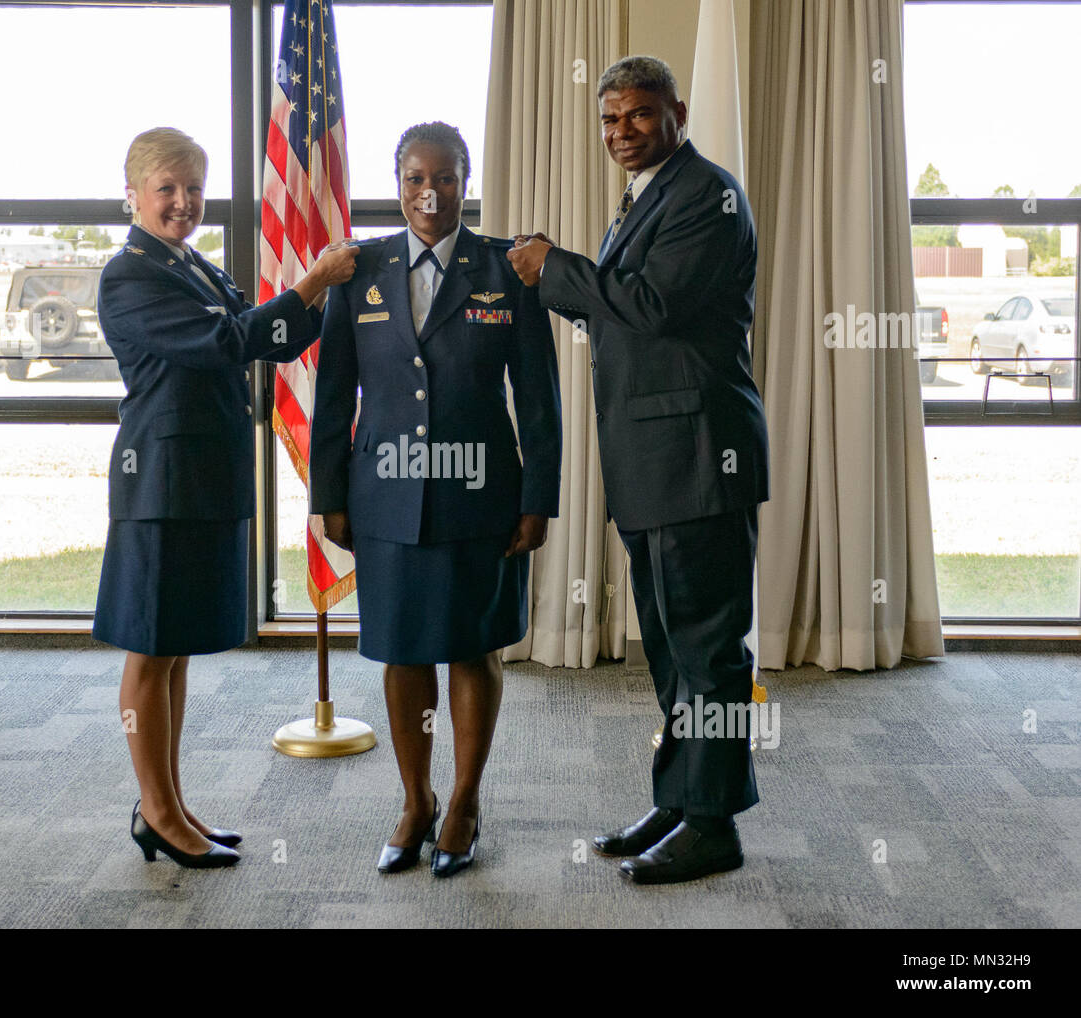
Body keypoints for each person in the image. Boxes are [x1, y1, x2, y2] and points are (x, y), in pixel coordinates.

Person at [507, 56, 770, 884]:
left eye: (640, 116)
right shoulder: (650, 194)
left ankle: (715, 824)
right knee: (668, 647)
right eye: (610, 119)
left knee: (711, 652)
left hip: (700, 458)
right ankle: (680, 798)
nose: (622, 132)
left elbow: (651, 307)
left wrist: (554, 268)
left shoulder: (706, 195)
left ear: (677, 112)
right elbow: (626, 308)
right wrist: (571, 277)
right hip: (654, 458)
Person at [93, 127, 356, 868]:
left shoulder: (193, 266)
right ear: (134, 194)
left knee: (173, 649)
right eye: (167, 189)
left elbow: (262, 336)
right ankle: (155, 810)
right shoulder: (130, 276)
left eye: (194, 189)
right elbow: (226, 343)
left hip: (201, 475)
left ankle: (170, 806)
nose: (183, 202)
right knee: (151, 649)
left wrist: (321, 293)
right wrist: (314, 281)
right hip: (162, 482)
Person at [310, 122, 561, 878]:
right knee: (403, 650)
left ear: (465, 180)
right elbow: (333, 395)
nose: (430, 191)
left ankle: (464, 801)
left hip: (481, 498)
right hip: (384, 497)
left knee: (471, 648)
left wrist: (538, 497)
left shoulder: (504, 266)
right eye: (416, 177)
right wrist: (330, 493)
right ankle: (415, 800)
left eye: (446, 177)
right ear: (398, 182)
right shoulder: (361, 268)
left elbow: (539, 399)